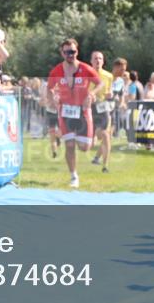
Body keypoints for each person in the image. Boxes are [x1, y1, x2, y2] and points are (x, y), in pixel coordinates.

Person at [46, 38, 102, 189]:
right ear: (62, 53)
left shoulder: (85, 68)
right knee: (69, 145)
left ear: (77, 51)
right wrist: (53, 100)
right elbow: (49, 88)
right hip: (65, 112)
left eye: (73, 52)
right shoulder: (56, 71)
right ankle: (73, 176)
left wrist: (91, 94)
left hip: (83, 112)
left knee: (84, 147)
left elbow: (100, 83)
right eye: (67, 52)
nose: (70, 55)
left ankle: (89, 135)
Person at [89, 51, 115, 173]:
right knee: (92, 140)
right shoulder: (86, 74)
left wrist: (110, 95)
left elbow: (110, 92)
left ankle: (105, 166)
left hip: (102, 107)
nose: (98, 61)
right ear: (91, 61)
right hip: (89, 107)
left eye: (100, 58)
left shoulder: (108, 76)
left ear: (103, 61)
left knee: (106, 135)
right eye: (95, 58)